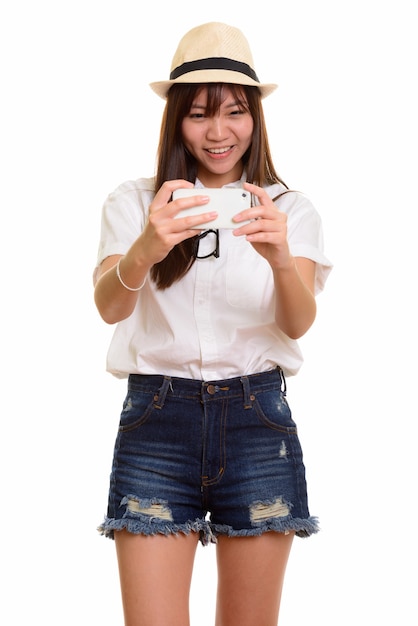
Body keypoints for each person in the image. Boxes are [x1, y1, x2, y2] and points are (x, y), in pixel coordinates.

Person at [93, 21, 332, 626]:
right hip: (156, 422)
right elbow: (109, 308)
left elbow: (297, 323)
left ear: (255, 117)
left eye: (234, 112)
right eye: (200, 114)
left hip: (258, 425)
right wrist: (147, 245)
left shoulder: (290, 209)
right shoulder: (135, 202)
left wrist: (280, 258)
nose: (218, 132)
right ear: (176, 119)